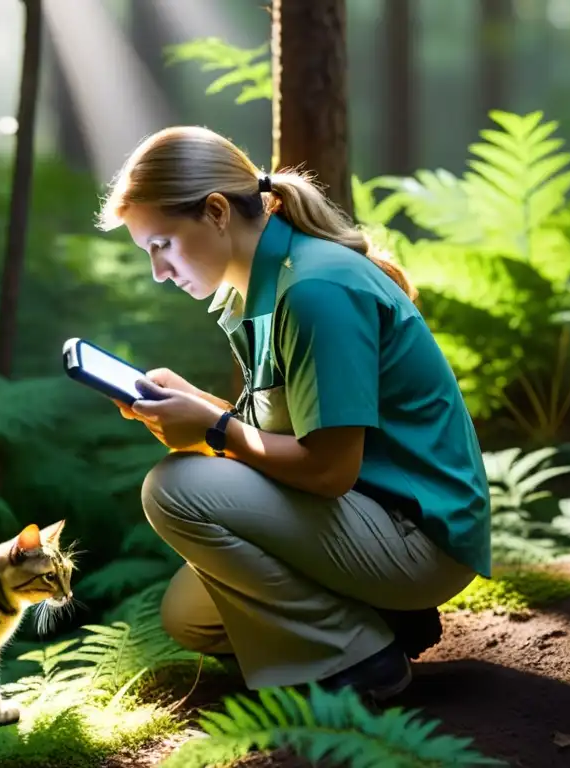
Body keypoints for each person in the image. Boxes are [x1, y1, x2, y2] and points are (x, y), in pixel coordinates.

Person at [95, 125, 491, 701]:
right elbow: (283, 430)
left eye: (162, 245)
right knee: (190, 616)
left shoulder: (314, 290)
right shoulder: (261, 287)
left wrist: (210, 428)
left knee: (173, 488)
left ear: (215, 212)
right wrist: (201, 406)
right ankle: (375, 621)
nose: (159, 270)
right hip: (366, 514)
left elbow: (329, 470)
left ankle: (364, 663)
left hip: (416, 537)